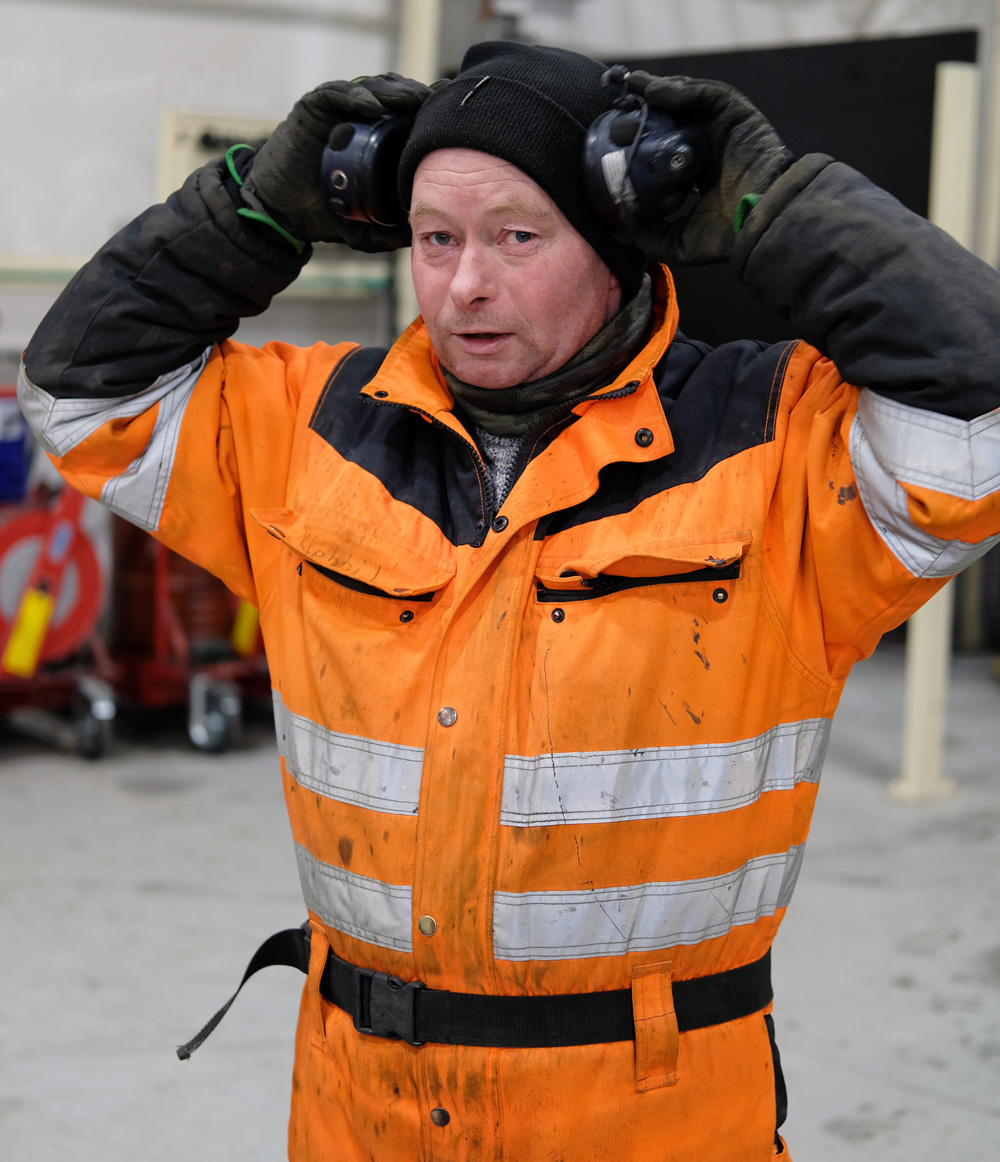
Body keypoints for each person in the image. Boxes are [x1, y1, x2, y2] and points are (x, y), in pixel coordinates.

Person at [18, 38, 1000, 1162]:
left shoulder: (775, 446)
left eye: (516, 238)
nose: (465, 284)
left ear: (616, 241)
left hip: (648, 1114)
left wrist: (783, 209)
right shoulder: (314, 429)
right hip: (360, 1109)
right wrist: (255, 207)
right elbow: (83, 393)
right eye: (438, 240)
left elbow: (979, 421)